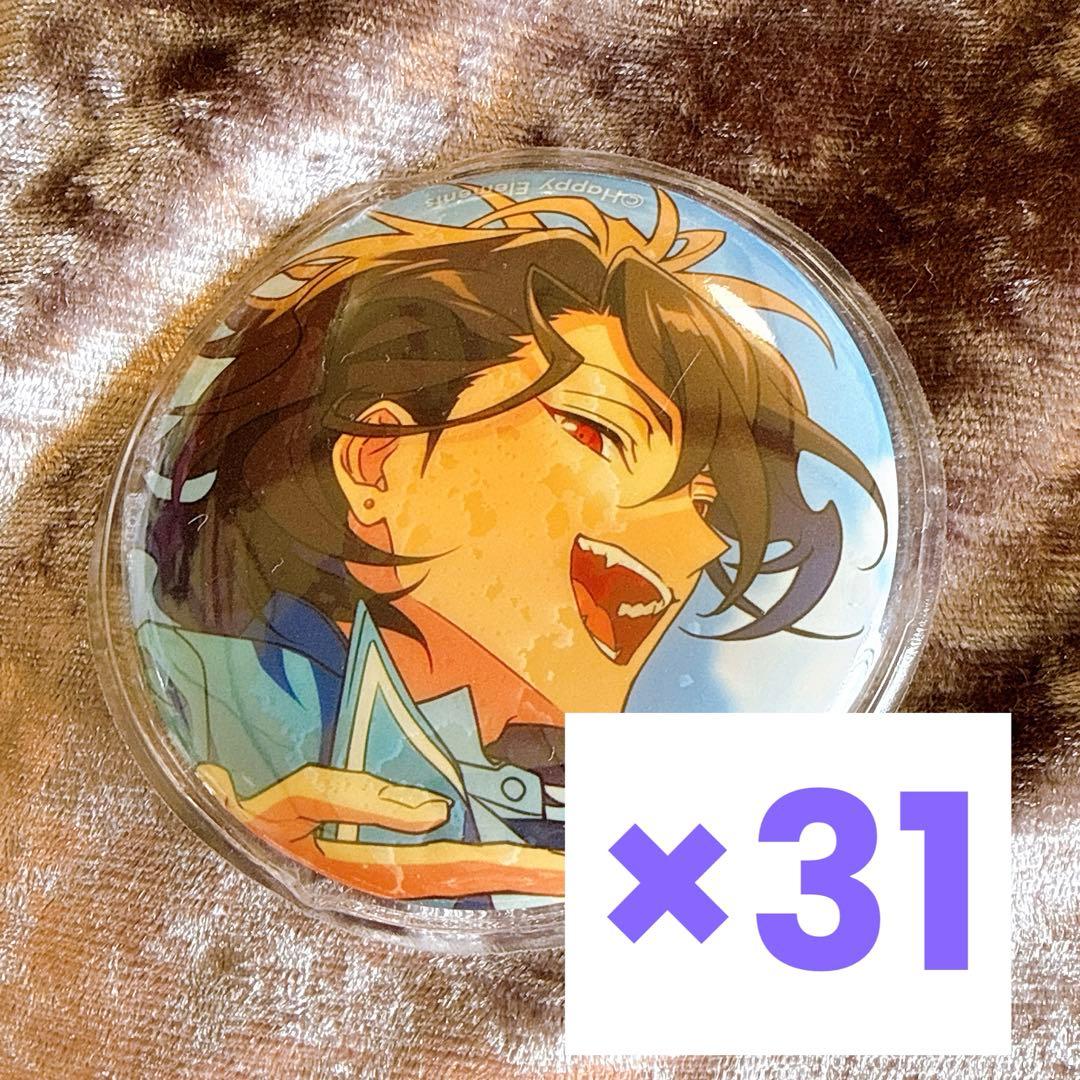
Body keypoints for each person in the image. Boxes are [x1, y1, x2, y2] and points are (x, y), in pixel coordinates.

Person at [136, 185, 883, 904]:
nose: (695, 543)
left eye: (706, 503)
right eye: (600, 435)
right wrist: (211, 836)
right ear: (377, 459)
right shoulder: (211, 690)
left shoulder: (606, 809)